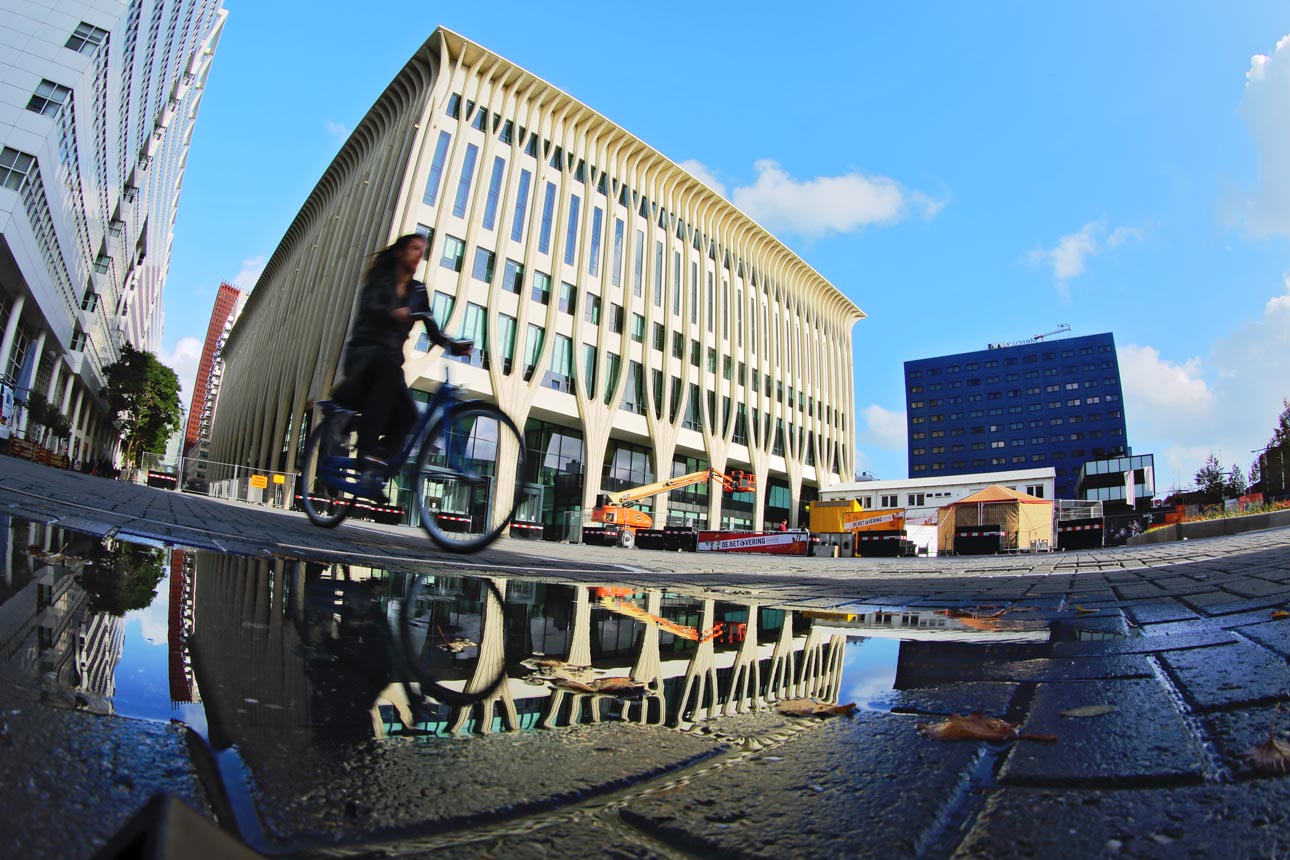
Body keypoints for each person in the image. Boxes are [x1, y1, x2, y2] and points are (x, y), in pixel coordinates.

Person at [329, 233, 471, 500]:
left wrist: (454, 345)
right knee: (388, 371)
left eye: (422, 250)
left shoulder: (418, 291)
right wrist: (391, 313)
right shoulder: (379, 281)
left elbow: (433, 329)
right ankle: (367, 451)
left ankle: (375, 470)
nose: (419, 254)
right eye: (414, 248)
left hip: (391, 366)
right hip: (365, 357)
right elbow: (369, 308)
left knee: (410, 417)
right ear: (399, 253)